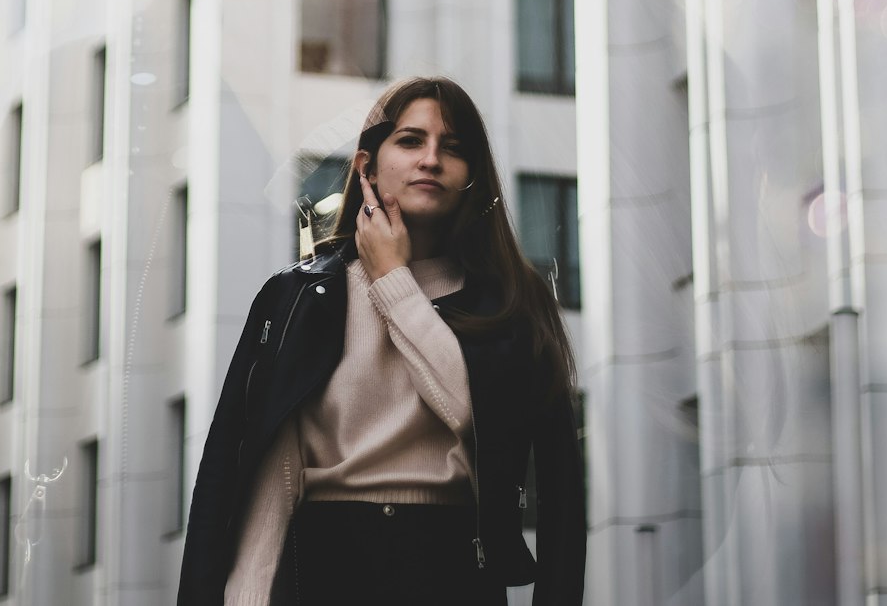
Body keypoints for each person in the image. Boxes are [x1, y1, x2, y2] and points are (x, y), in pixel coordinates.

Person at [176, 76, 587, 606]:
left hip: (453, 573)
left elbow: (476, 416)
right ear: (366, 164)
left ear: (471, 177)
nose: (432, 159)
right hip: (325, 568)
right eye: (411, 140)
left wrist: (393, 280)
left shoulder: (510, 302)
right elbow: (264, 479)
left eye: (453, 148)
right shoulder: (298, 296)